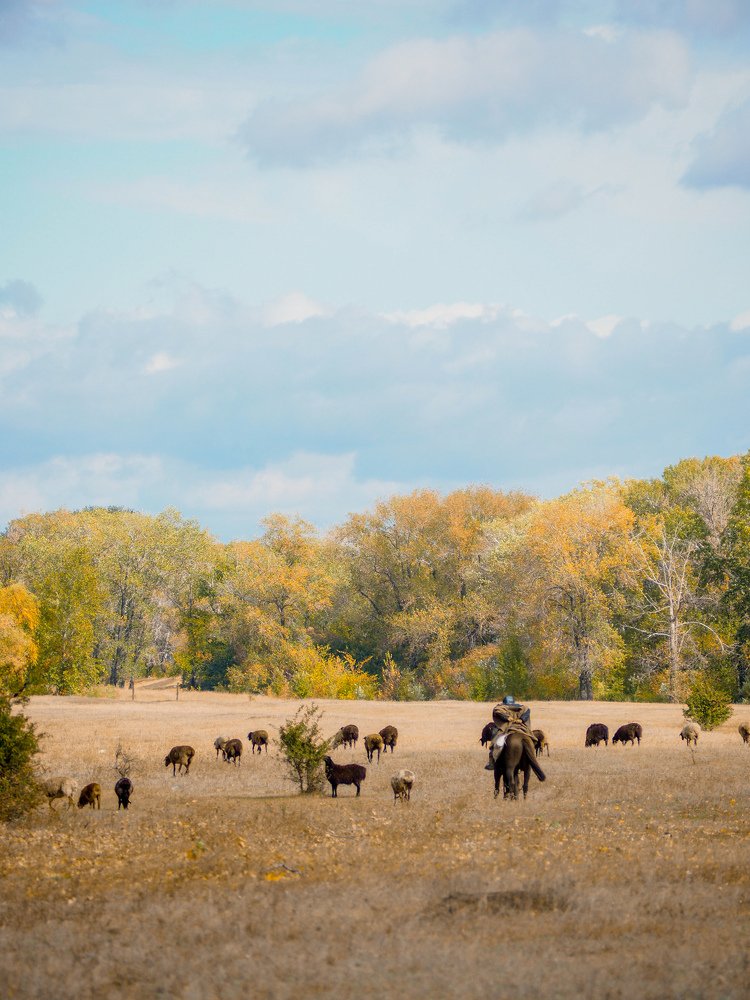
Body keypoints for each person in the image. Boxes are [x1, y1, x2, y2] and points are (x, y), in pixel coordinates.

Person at [484, 695, 536, 770]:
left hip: (506, 728)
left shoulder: (499, 708)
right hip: (521, 728)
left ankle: (492, 762)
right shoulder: (523, 708)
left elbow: (498, 713)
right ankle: (532, 759)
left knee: (496, 743)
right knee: (532, 739)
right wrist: (521, 719)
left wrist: (507, 718)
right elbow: (527, 712)